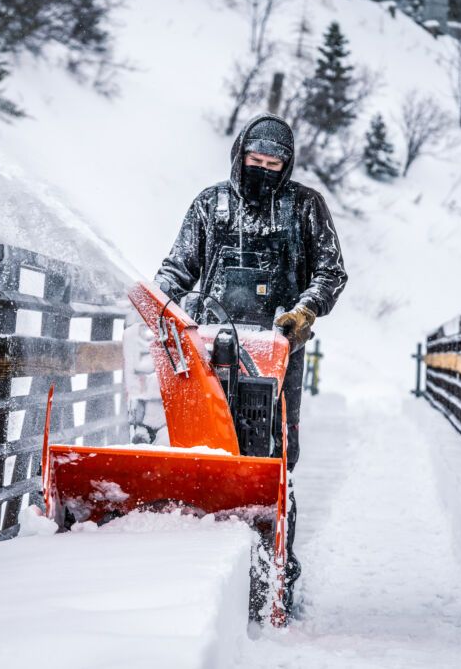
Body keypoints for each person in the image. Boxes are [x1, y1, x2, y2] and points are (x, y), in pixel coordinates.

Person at [153, 112, 347, 611]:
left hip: (279, 352)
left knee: (276, 458)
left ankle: (275, 571)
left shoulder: (305, 207)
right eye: (254, 160)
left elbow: (331, 271)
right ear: (239, 155)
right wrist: (159, 301)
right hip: (208, 348)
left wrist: (305, 310)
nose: (262, 169)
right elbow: (179, 266)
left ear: (287, 165)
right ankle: (197, 552)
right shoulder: (211, 204)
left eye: (272, 164)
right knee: (208, 447)